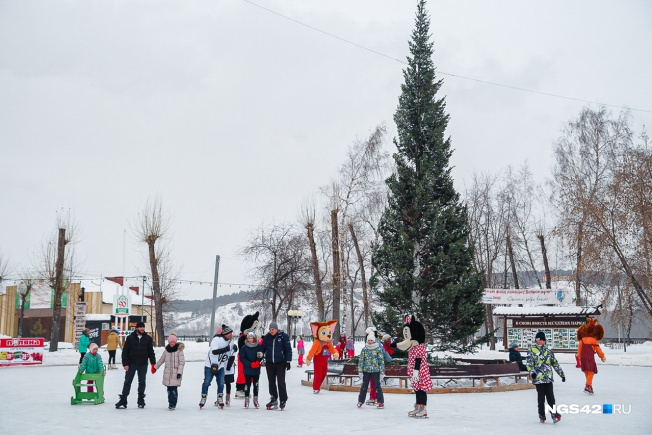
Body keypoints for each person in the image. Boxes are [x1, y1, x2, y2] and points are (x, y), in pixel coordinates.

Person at [115, 321, 156, 409]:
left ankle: (141, 399)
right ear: (137, 328)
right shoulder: (130, 338)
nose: (142, 329)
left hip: (143, 364)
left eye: (143, 327)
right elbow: (125, 352)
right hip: (131, 364)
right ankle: (123, 400)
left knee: (142, 382)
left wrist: (153, 364)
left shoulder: (148, 338)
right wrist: (125, 364)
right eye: (141, 327)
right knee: (127, 382)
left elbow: (151, 352)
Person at [526, 331, 565, 423]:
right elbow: (529, 364)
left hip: (548, 378)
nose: (541, 342)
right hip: (538, 378)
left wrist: (561, 374)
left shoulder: (548, 351)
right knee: (541, 398)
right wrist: (532, 373)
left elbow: (555, 363)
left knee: (551, 397)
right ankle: (542, 414)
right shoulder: (532, 350)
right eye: (539, 340)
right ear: (536, 340)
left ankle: (554, 413)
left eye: (543, 340)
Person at [200, 324, 235, 409]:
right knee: (207, 382)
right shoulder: (216, 340)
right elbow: (214, 351)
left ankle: (220, 398)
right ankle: (203, 397)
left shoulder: (231, 341)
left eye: (231, 333)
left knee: (221, 383)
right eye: (229, 333)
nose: (230, 335)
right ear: (224, 334)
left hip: (220, 366)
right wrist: (225, 349)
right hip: (210, 365)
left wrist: (234, 349)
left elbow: (230, 353)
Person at [260, 321, 292, 410]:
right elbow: (262, 348)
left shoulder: (283, 337)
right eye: (270, 329)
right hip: (270, 362)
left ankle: (283, 399)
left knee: (281, 382)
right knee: (271, 382)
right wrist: (260, 355)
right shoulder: (267, 337)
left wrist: (288, 361)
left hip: (281, 362)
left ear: (277, 329)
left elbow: (288, 349)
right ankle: (273, 397)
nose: (271, 331)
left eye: (273, 329)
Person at [357, 332, 391, 409]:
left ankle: (380, 402)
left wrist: (382, 372)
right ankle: (360, 401)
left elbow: (381, 361)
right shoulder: (364, 349)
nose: (370, 342)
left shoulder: (378, 349)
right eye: (369, 340)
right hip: (366, 370)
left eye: (371, 340)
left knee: (377, 386)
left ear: (374, 341)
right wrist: (360, 371)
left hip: (375, 370)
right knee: (364, 386)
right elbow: (361, 360)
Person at [155, 334, 185, 410]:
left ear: (175, 342)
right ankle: (170, 403)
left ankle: (173, 404)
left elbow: (182, 363)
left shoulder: (179, 351)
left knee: (173, 389)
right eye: (171, 342)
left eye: (173, 342)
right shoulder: (166, 351)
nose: (172, 343)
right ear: (168, 342)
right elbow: (161, 360)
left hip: (175, 374)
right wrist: (155, 367)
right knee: (169, 390)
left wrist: (179, 373)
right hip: (167, 374)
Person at [239, 331, 262, 408]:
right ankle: (246, 399)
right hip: (248, 369)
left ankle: (256, 399)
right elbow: (242, 358)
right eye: (249, 338)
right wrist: (250, 364)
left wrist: (257, 362)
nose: (250, 339)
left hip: (256, 369)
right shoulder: (244, 347)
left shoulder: (258, 346)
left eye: (252, 338)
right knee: (247, 385)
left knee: (256, 385)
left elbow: (260, 355)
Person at [223, 337, 238, 406]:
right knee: (220, 383)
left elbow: (232, 355)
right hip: (222, 366)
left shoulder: (231, 343)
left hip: (228, 367)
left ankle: (227, 397)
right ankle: (219, 397)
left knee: (228, 383)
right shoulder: (221, 342)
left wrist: (229, 366)